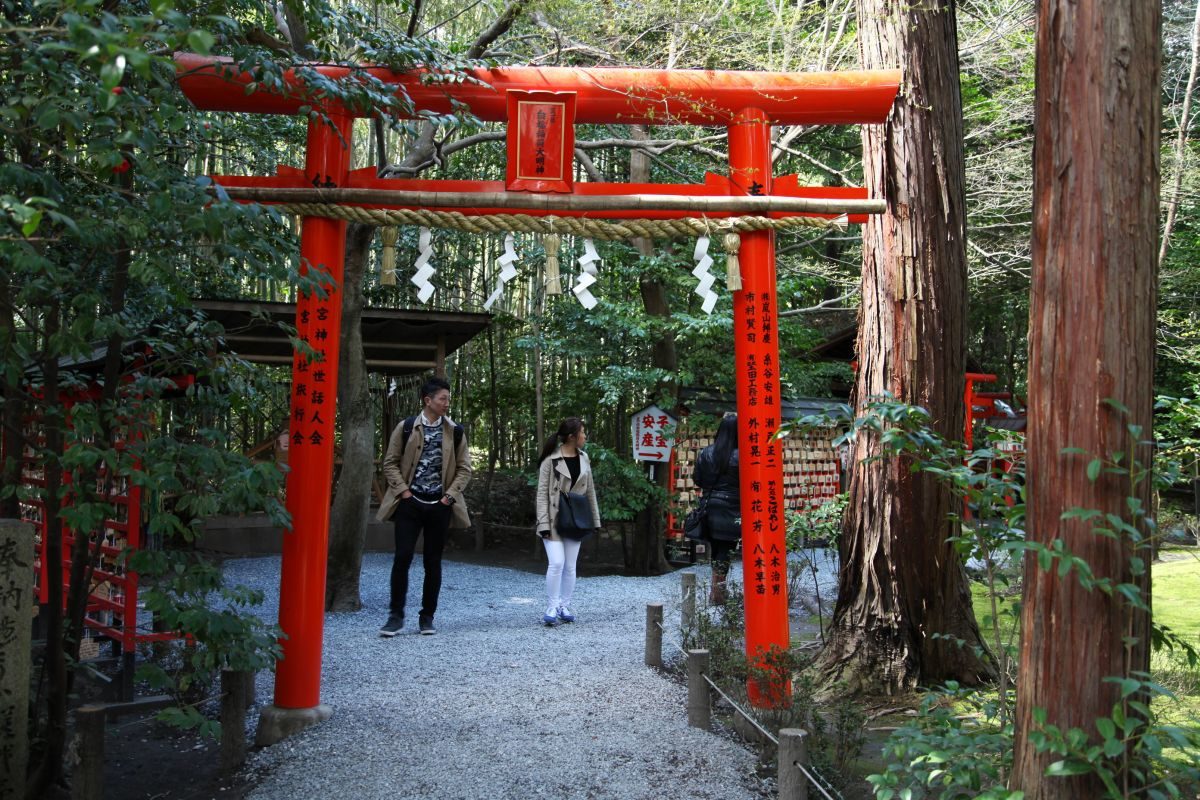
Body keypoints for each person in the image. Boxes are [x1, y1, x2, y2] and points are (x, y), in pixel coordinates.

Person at [375, 377, 472, 637]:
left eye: (448, 399)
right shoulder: (406, 427)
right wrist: (404, 492)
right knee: (402, 557)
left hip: (440, 504)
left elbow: (465, 469)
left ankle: (427, 617)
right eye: (443, 399)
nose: (447, 404)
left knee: (433, 561)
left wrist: (448, 498)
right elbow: (389, 463)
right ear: (428, 400)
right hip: (410, 503)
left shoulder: (455, 431)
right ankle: (395, 617)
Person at [535, 417, 600, 626]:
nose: (585, 436)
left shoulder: (584, 458)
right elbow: (541, 494)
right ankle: (552, 606)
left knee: (570, 566)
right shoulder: (550, 460)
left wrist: (595, 520)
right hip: (553, 518)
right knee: (556, 563)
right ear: (572, 436)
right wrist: (543, 524)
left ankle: (564, 605)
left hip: (576, 518)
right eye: (582, 432)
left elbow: (590, 491)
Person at [693, 413, 740, 605]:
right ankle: (717, 594)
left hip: (710, 506)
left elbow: (698, 479)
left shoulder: (707, 453)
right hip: (733, 507)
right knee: (726, 549)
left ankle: (717, 591)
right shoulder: (742, 455)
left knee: (717, 548)